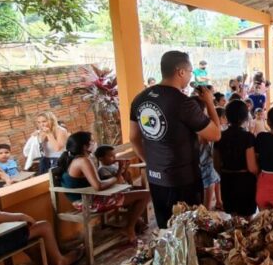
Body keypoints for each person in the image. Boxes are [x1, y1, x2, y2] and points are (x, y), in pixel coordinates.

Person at [129, 51, 221, 229]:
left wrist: (151, 162)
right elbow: (215, 134)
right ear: (180, 72)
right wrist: (209, 102)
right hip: (182, 179)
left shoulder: (139, 99)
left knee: (166, 229)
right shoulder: (183, 103)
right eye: (190, 72)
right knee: (188, 231)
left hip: (156, 178)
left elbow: (133, 138)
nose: (190, 76)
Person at [56, 132, 149, 243]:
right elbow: (98, 186)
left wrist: (119, 173)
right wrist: (115, 178)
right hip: (88, 203)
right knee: (145, 194)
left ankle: (134, 224)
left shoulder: (75, 159)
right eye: (92, 141)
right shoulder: (83, 161)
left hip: (87, 199)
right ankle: (129, 228)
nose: (95, 143)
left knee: (134, 193)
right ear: (85, 146)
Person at [214, 100, 258, 218]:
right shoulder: (248, 137)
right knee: (247, 220)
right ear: (245, 117)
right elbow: (252, 167)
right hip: (245, 182)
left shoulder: (220, 136)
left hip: (227, 180)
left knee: (234, 220)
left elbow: (216, 164)